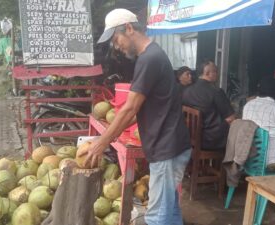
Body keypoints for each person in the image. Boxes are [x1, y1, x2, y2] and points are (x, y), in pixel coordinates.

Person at [79, 8, 191, 225]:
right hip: (171, 146)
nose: (116, 46)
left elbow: (130, 109)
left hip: (166, 148)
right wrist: (113, 131)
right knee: (171, 212)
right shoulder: (152, 56)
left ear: (129, 28)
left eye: (116, 38)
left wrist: (102, 143)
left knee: (157, 217)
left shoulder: (149, 59)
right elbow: (137, 111)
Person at [182, 60, 235, 150]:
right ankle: (227, 163)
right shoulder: (216, 91)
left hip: (190, 137)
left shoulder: (187, 91)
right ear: (207, 73)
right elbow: (230, 118)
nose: (217, 74)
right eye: (215, 71)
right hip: (210, 140)